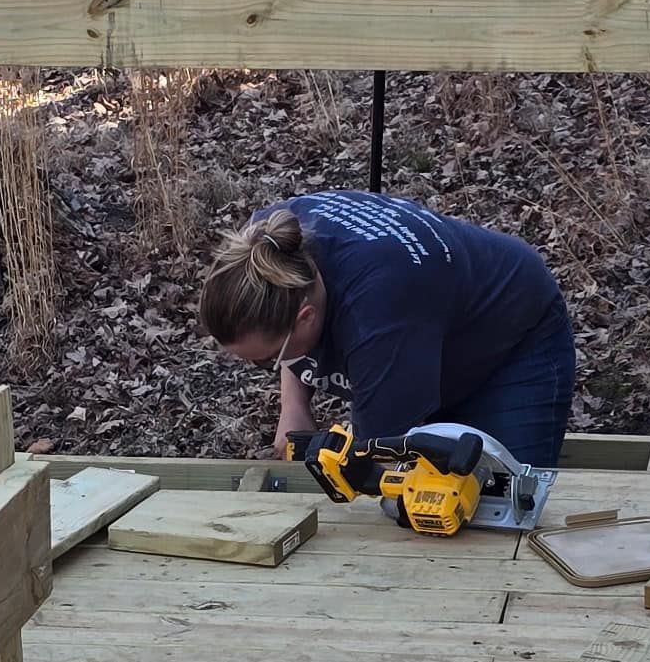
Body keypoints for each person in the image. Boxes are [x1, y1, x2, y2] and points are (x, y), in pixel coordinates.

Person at [199, 191, 574, 466]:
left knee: (500, 502)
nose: (267, 368)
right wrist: (293, 405)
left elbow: (379, 459)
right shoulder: (264, 248)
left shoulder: (379, 317)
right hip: (425, 331)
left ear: (306, 317)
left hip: (514, 341)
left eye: (266, 361)